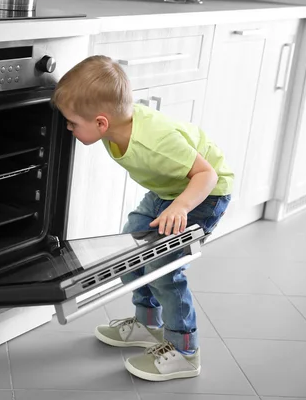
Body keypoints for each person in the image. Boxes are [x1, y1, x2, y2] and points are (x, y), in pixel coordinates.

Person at [52, 55, 234, 382]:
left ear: (101, 123)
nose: (68, 127)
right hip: (169, 189)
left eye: (72, 122)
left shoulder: (156, 142)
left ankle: (185, 351)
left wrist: (179, 207)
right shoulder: (114, 129)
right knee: (130, 250)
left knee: (164, 268)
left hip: (203, 192)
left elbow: (205, 175)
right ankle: (148, 322)